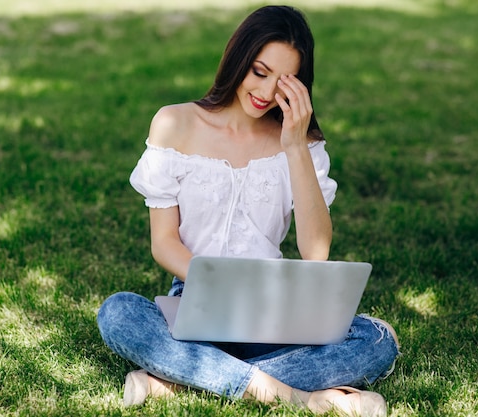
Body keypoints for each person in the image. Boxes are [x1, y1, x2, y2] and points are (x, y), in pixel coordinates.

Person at [97, 5, 400, 416]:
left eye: (283, 82)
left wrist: (294, 146)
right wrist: (222, 286)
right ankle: (301, 397)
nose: (266, 92)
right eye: (259, 72)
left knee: (376, 339)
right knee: (118, 313)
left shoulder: (300, 143)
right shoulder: (175, 123)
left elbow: (316, 252)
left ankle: (183, 379)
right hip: (195, 295)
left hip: (272, 305)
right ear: (237, 58)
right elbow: (164, 243)